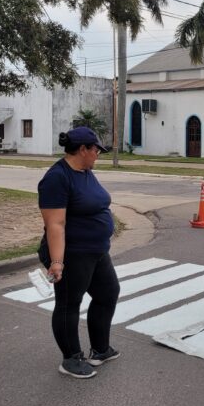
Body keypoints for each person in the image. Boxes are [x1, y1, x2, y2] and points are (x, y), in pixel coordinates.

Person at [38, 126, 120, 379]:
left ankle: (100, 349)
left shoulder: (85, 172)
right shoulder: (57, 178)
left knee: (108, 293)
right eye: (96, 149)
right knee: (68, 304)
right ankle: (71, 358)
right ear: (83, 149)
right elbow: (55, 224)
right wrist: (57, 262)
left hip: (95, 251)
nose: (98, 154)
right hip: (72, 253)